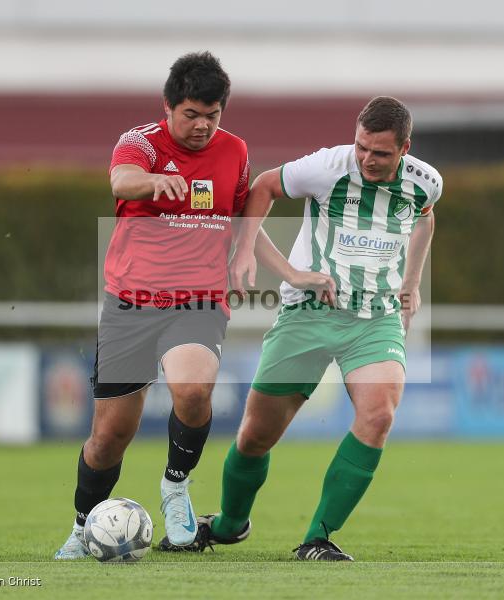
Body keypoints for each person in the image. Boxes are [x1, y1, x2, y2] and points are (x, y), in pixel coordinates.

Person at [161, 96, 442, 560]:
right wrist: (256, 254)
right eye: (362, 148)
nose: (368, 159)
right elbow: (264, 186)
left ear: (405, 149)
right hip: (308, 312)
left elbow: (426, 220)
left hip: (375, 319)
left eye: (382, 153)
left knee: (379, 415)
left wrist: (411, 283)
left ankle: (318, 538)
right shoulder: (328, 166)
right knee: (256, 435)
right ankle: (230, 524)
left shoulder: (426, 183)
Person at [55, 51, 251, 558]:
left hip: (200, 299)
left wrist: (255, 254)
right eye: (192, 115)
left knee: (192, 389)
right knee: (109, 436)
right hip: (131, 303)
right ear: (169, 106)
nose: (203, 126)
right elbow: (120, 181)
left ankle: (176, 486)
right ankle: (83, 527)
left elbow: (242, 216)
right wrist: (154, 182)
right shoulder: (139, 143)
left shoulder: (235, 153)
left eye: (213, 115)